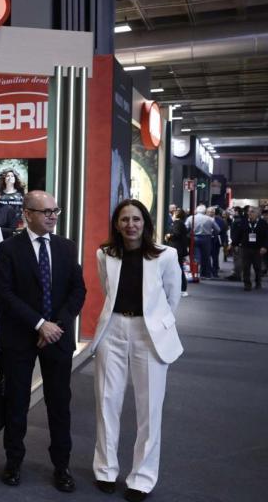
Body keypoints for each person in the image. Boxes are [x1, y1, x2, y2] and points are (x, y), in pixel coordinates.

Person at [92, 199, 184, 502]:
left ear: (145, 223)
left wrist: (155, 323)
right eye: (124, 219)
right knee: (107, 403)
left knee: (149, 409)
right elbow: (108, 291)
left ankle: (142, 478)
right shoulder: (105, 254)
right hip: (114, 330)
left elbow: (172, 297)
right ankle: (105, 469)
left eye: (135, 219)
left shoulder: (166, 255)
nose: (130, 225)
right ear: (116, 224)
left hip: (150, 334)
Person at [0, 191, 86, 492]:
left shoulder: (66, 247)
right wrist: (38, 324)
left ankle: (62, 466)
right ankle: (14, 462)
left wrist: (55, 326)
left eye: (55, 210)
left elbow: (77, 292)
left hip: (57, 338)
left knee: (59, 404)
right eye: (45, 211)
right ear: (27, 214)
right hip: (20, 337)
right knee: (16, 403)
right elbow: (4, 293)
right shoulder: (9, 248)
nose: (52, 216)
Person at [230, 206, 268, 291]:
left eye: (252, 212)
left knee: (257, 267)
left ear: (257, 213)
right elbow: (238, 234)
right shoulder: (244, 222)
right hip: (245, 248)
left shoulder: (263, 223)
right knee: (245, 267)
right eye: (249, 212)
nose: (249, 213)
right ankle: (247, 284)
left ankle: (258, 282)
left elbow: (266, 236)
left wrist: (265, 247)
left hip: (258, 248)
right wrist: (234, 244)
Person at [185, 205, 217, 278]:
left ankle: (195, 272)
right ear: (205, 211)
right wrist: (213, 234)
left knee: (196, 256)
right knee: (206, 256)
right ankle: (205, 274)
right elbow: (217, 229)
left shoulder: (190, 218)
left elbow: (186, 228)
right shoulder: (210, 219)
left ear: (196, 211)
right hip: (207, 238)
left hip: (194, 238)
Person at [164, 209, 190, 297]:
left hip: (176, 249)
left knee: (178, 269)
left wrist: (168, 235)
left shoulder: (177, 223)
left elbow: (176, 234)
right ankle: (181, 288)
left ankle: (182, 288)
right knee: (179, 268)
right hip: (179, 249)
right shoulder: (181, 223)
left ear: (176, 215)